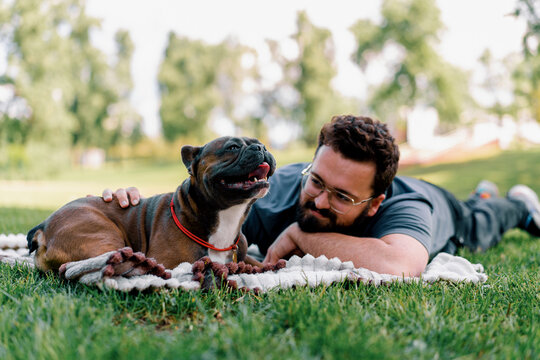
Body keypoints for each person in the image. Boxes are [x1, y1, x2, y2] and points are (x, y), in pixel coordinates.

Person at [103, 115, 540, 276]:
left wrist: (299, 237)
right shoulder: (275, 194)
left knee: (485, 218)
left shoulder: (408, 209)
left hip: (447, 210)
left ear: (374, 204)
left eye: (342, 197)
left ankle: (510, 204)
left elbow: (400, 263)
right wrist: (131, 207)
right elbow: (198, 205)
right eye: (317, 181)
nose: (317, 201)